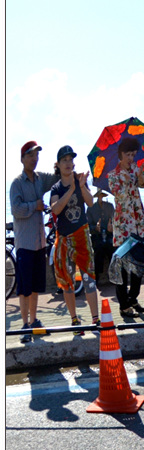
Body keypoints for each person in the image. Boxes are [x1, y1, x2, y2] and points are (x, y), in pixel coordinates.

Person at [9, 141, 58, 342]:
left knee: (36, 286)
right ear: (22, 159)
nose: (34, 159)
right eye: (30, 155)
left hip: (39, 243)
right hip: (25, 244)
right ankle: (24, 326)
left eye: (36, 155)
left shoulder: (40, 179)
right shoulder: (16, 183)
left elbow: (55, 180)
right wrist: (35, 205)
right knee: (24, 289)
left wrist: (59, 168)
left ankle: (34, 320)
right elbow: (16, 210)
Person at [48, 145, 100, 331]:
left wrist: (81, 186)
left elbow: (90, 202)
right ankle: (74, 320)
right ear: (58, 164)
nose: (68, 163)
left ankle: (95, 319)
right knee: (67, 282)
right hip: (64, 239)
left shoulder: (80, 181)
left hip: (82, 237)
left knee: (89, 279)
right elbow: (55, 209)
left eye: (71, 160)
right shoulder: (56, 188)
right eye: (64, 160)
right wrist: (70, 190)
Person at [109, 136, 144, 316]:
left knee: (138, 264)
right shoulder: (113, 175)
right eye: (128, 154)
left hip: (138, 221)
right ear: (121, 154)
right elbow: (119, 195)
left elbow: (143, 185)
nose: (131, 158)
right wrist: (127, 179)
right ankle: (123, 305)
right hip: (123, 225)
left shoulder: (135, 169)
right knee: (122, 266)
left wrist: (140, 176)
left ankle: (133, 298)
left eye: (133, 154)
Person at [86, 188, 115, 282]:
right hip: (97, 235)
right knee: (98, 249)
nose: (100, 198)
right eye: (99, 196)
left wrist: (112, 227)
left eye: (102, 195)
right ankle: (97, 277)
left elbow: (115, 221)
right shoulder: (91, 208)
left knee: (113, 248)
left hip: (109, 234)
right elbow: (88, 226)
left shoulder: (110, 206)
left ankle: (114, 275)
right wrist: (95, 228)